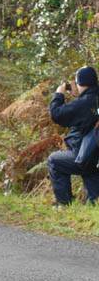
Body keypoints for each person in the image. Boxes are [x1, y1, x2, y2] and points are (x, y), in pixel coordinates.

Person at [47, 66, 99, 205]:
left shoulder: (83, 103)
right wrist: (79, 97)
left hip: (85, 155)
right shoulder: (93, 99)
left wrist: (59, 95)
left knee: (55, 160)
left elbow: (57, 114)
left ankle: (65, 204)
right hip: (94, 155)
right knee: (91, 176)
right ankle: (92, 207)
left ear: (79, 83)